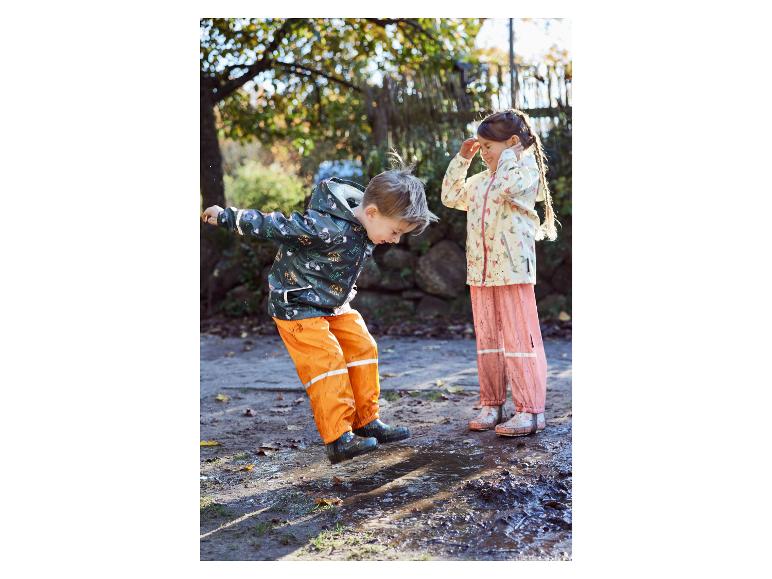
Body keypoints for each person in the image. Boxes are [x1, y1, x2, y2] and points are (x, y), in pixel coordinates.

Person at [202, 155, 438, 463]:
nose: (395, 240)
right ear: (371, 212)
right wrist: (227, 216)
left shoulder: (365, 224)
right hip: (297, 304)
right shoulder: (322, 227)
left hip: (332, 303)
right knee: (328, 360)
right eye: (395, 232)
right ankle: (338, 437)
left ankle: (366, 421)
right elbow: (276, 225)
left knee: (362, 346)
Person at [441, 109, 558, 437]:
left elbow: (507, 186)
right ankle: (492, 404)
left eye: (487, 146)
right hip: (481, 272)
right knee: (488, 341)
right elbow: (449, 196)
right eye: (480, 146)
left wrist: (510, 155)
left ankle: (530, 411)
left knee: (519, 340)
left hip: (513, 271)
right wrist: (462, 160)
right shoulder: (479, 182)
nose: (482, 152)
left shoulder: (526, 175)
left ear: (512, 142)